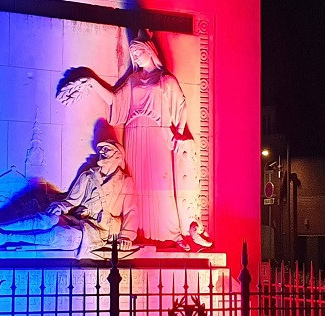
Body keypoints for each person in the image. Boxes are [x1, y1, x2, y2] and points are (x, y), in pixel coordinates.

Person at [58, 30, 211, 250]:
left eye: (139, 52)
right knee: (138, 187)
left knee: (162, 184)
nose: (136, 57)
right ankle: (137, 233)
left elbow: (180, 106)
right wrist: (91, 82)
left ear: (150, 51)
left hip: (159, 136)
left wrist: (177, 133)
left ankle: (172, 232)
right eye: (133, 54)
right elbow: (114, 99)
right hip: (134, 134)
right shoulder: (132, 81)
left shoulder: (165, 80)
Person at [0, 140, 137, 255]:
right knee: (48, 219)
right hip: (78, 219)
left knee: (65, 236)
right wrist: (60, 206)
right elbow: (71, 200)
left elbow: (131, 212)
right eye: (101, 149)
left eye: (107, 150)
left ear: (118, 156)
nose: (102, 152)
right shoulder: (88, 176)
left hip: (98, 230)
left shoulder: (125, 182)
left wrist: (126, 236)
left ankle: (6, 237)